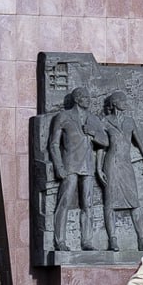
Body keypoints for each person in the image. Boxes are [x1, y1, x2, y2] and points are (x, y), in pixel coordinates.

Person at [47, 87, 107, 251]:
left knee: (88, 205)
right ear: (77, 99)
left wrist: (93, 133)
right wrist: (58, 166)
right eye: (85, 97)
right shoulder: (63, 116)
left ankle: (87, 241)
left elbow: (105, 141)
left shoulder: (93, 119)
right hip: (69, 166)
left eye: (89, 97)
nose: (89, 99)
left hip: (87, 167)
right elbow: (53, 144)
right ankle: (60, 241)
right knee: (64, 202)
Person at [96, 91, 143, 251]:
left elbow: (140, 143)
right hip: (111, 164)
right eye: (122, 100)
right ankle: (113, 240)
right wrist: (98, 168)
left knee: (134, 202)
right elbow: (101, 146)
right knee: (110, 203)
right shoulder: (105, 121)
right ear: (115, 103)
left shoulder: (129, 121)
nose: (125, 102)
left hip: (125, 164)